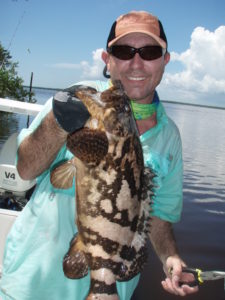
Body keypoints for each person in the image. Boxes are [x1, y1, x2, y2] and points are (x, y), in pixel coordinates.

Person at [0, 10, 199, 300]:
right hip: (30, 287)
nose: (136, 62)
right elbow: (26, 170)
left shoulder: (170, 138)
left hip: (113, 287)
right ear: (108, 59)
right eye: (123, 50)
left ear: (165, 60)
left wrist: (171, 259)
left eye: (150, 51)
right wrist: (58, 123)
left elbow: (157, 216)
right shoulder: (76, 97)